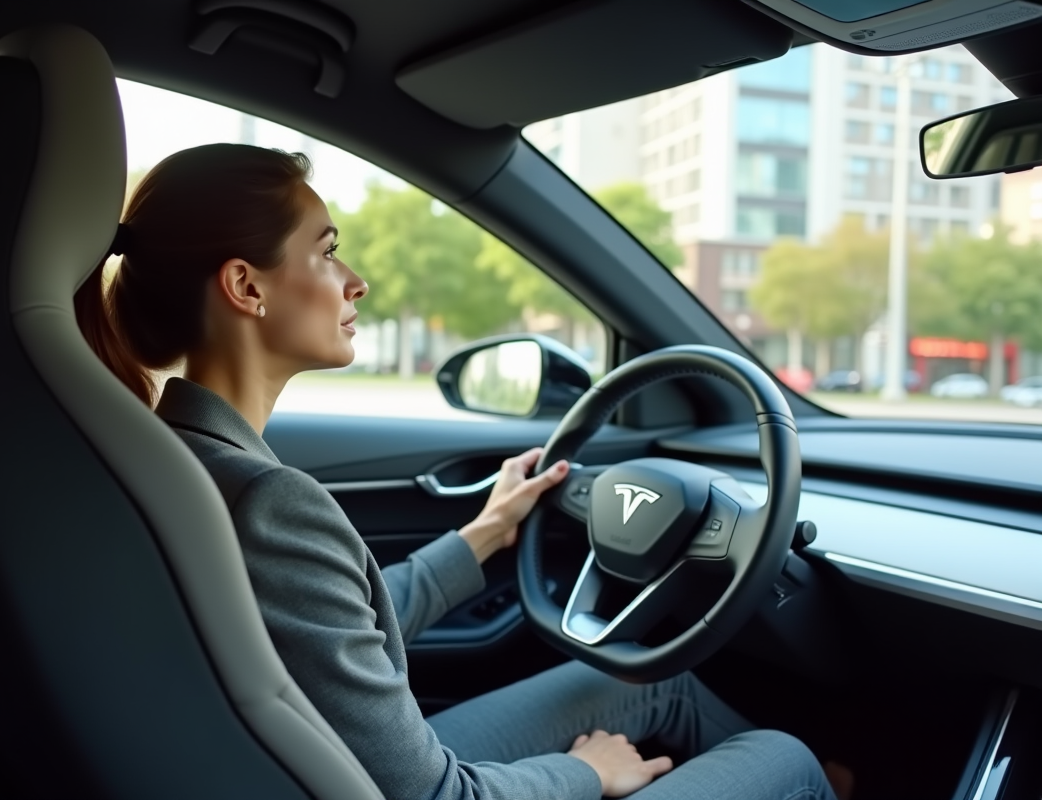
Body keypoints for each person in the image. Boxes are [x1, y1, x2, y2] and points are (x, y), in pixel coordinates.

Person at [76, 143, 839, 800]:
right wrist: (584, 774)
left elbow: (329, 632)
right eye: (327, 251)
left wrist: (485, 533)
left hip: (314, 771)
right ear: (247, 286)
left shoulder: (174, 459)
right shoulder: (268, 501)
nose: (354, 280)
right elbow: (437, 795)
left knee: (647, 680)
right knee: (784, 760)